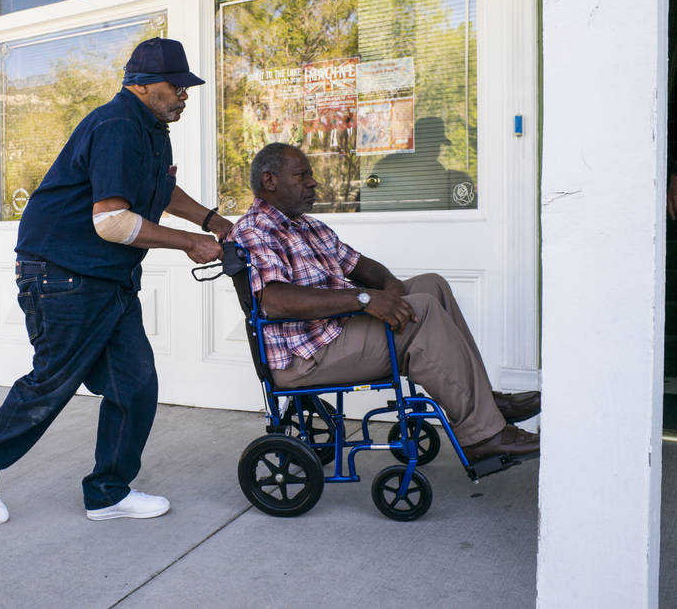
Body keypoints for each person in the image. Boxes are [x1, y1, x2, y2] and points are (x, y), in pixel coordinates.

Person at [0, 37, 232, 524]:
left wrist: (210, 219)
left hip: (107, 277)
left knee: (135, 383)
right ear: (142, 85)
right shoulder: (118, 124)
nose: (185, 95)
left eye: (187, 87)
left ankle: (108, 492)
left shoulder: (152, 129)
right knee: (53, 383)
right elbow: (112, 222)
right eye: (176, 86)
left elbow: (159, 189)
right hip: (62, 273)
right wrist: (189, 242)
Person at [228, 142, 540, 462]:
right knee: (423, 311)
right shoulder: (256, 229)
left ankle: (485, 403)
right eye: (301, 175)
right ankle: (482, 435)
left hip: (336, 332)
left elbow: (365, 268)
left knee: (432, 286)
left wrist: (388, 289)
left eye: (311, 174)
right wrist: (363, 298)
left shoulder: (309, 227)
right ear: (270, 181)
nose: (313, 182)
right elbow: (277, 302)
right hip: (305, 356)